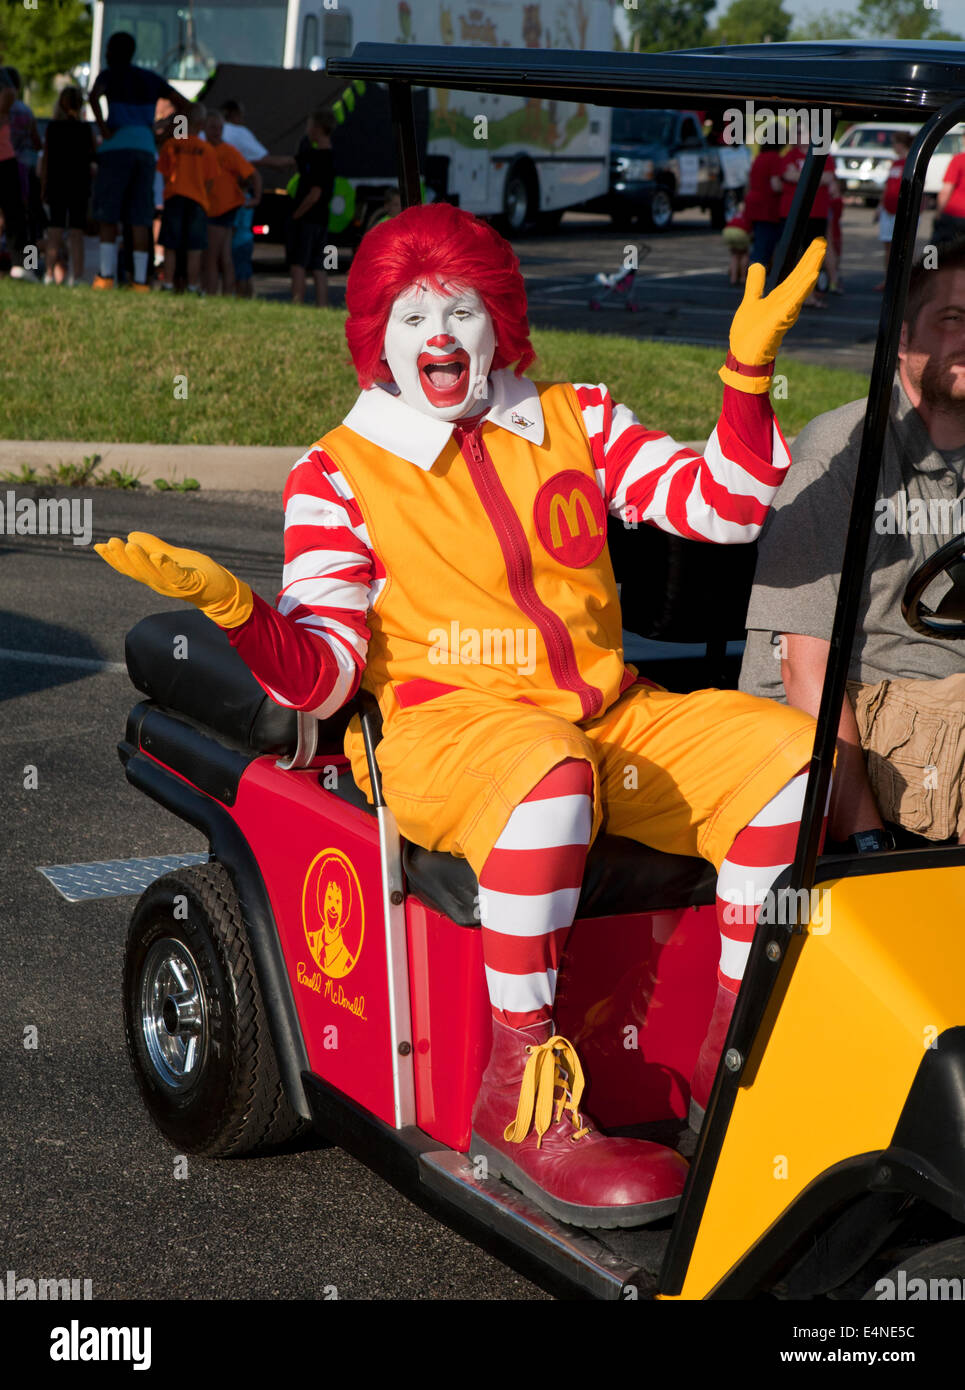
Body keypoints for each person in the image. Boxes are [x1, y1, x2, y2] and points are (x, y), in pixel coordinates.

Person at [95, 204, 826, 1228]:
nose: (436, 333)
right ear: (377, 340)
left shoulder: (577, 418)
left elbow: (723, 506)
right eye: (407, 312)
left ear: (501, 323)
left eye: (461, 307)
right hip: (448, 733)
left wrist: (744, 380)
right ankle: (521, 1093)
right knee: (545, 773)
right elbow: (319, 676)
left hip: (608, 716)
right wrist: (239, 611)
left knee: (794, 762)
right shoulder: (337, 475)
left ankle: (731, 1056)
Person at [740, 239, 965, 850]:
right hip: (860, 717)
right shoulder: (840, 455)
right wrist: (864, 841)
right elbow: (801, 670)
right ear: (900, 336)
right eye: (953, 319)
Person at [88, 31, 189, 291]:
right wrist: (162, 135)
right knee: (140, 216)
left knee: (109, 214)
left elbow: (93, 96)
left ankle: (106, 276)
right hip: (145, 149)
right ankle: (141, 280)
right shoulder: (151, 79)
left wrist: (103, 128)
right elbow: (185, 106)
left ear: (110, 50)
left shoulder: (109, 75)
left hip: (116, 147)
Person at [155, 103, 218, 295]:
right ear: (201, 124)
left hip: (175, 197)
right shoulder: (205, 148)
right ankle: (191, 285)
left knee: (171, 245)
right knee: (194, 246)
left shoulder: (172, 144)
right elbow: (210, 179)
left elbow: (165, 174)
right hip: (197, 201)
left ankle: (167, 285)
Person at [40, 86, 96, 286]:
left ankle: (48, 274)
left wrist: (43, 187)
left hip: (57, 185)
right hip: (78, 186)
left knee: (54, 231)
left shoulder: (53, 128)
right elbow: (93, 158)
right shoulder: (84, 130)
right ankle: (77, 276)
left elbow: (46, 160)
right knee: (76, 233)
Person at [202, 110, 260, 296]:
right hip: (211, 207)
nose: (216, 131)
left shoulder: (228, 151)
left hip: (221, 209)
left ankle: (211, 293)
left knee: (212, 255)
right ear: (205, 128)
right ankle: (226, 293)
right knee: (224, 255)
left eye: (219, 128)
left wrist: (256, 198)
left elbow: (253, 175)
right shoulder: (203, 149)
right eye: (212, 127)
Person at [288, 109, 335, 307]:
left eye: (309, 125)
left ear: (317, 128)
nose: (307, 130)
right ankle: (322, 305)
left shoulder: (318, 157)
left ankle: (296, 304)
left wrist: (296, 215)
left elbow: (314, 194)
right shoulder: (331, 155)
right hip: (322, 219)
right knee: (319, 266)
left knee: (298, 264)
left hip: (307, 218)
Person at [779, 142, 832, 308]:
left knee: (813, 256)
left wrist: (799, 175)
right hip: (791, 211)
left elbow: (828, 178)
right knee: (790, 254)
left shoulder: (824, 154)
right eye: (797, 131)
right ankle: (788, 295)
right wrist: (813, 175)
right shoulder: (789, 155)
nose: (798, 135)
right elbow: (787, 175)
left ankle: (809, 294)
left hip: (817, 212)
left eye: (803, 132)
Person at [874, 130, 912, 291]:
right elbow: (888, 186)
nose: (893, 146)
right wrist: (880, 205)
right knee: (887, 246)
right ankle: (888, 279)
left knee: (902, 246)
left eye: (894, 142)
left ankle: (901, 281)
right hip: (888, 209)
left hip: (902, 210)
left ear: (901, 144)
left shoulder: (911, 162)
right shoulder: (895, 163)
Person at [745, 145, 784, 270]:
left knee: (758, 246)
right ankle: (755, 284)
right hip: (767, 208)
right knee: (762, 251)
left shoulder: (759, 157)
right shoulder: (775, 158)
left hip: (754, 205)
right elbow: (776, 185)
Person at [933, 132, 965, 245]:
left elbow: (946, 190)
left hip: (955, 214)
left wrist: (938, 213)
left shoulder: (959, 159)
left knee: (938, 253)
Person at [722, 202, 751, 285]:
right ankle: (743, 277)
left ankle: (733, 277)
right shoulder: (748, 214)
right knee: (744, 254)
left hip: (728, 231)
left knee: (734, 255)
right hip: (740, 232)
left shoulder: (736, 214)